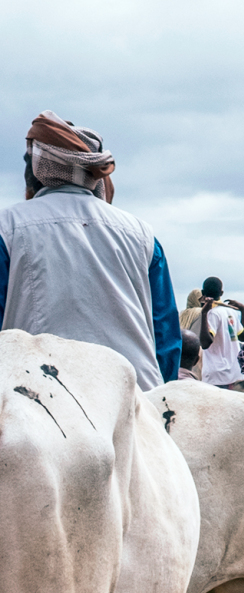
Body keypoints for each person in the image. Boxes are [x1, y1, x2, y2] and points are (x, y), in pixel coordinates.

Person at [0, 112, 182, 389]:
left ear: (35, 173)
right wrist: (157, 403)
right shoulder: (142, 235)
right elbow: (166, 337)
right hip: (134, 398)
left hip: (38, 398)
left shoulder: (8, 228)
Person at [198, 276, 244, 390]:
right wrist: (243, 311)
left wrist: (204, 313)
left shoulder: (212, 313)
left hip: (216, 376)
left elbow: (205, 343)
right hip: (235, 373)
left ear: (202, 293)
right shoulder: (231, 311)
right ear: (221, 293)